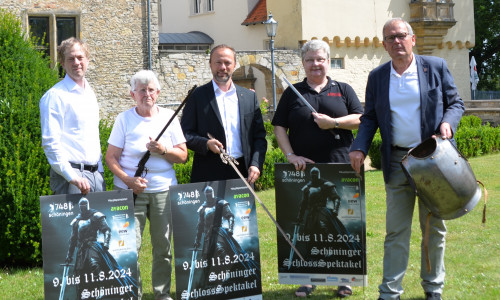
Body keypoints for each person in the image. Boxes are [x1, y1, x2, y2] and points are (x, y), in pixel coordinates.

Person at [349, 18, 465, 300]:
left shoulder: (434, 67)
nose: (397, 41)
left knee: (433, 228)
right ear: (384, 45)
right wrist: (359, 146)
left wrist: (449, 122)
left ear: (413, 39)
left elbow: (455, 103)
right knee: (396, 231)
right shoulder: (378, 77)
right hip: (397, 162)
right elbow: (371, 118)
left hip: (432, 160)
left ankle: (433, 288)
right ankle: (390, 292)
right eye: (391, 38)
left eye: (402, 35)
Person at [272, 39, 363, 298]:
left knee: (339, 229)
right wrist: (290, 154)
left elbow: (360, 119)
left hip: (340, 165)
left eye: (320, 59)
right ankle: (307, 279)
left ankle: (345, 278)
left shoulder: (343, 89)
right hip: (304, 166)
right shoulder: (292, 93)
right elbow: (279, 126)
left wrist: (333, 122)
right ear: (303, 63)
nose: (315, 64)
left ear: (327, 61)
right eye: (310, 60)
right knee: (309, 234)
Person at [105, 70, 188, 300]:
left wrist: (164, 150)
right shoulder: (124, 119)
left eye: (151, 90)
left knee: (163, 247)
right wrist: (128, 180)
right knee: (129, 247)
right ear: (133, 94)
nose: (147, 94)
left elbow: (183, 156)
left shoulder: (170, 117)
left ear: (158, 92)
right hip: (130, 192)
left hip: (163, 190)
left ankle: (162, 294)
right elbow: (111, 157)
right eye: (142, 90)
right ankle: (134, 294)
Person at [180, 44, 267, 184]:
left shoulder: (249, 97)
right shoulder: (196, 96)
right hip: (208, 174)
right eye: (218, 62)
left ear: (235, 65)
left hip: (243, 172)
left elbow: (259, 137)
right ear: (210, 65)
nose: (223, 67)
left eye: (227, 63)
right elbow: (185, 133)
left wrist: (256, 163)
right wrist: (206, 143)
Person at [40, 37, 105, 195]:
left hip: (97, 175)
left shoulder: (90, 93)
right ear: (62, 63)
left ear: (87, 60)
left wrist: (100, 171)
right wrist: (72, 177)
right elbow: (50, 143)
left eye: (80, 57)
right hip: (70, 177)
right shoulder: (55, 96)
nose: (76, 62)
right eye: (71, 59)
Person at [65, 197, 137, 299]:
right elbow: (72, 240)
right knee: (79, 272)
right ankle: (84, 294)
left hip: (93, 246)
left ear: (87, 205)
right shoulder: (76, 221)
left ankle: (101, 288)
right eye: (81, 206)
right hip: (82, 249)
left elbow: (106, 230)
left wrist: (106, 244)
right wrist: (69, 256)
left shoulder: (96, 216)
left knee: (94, 264)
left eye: (84, 206)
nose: (83, 208)